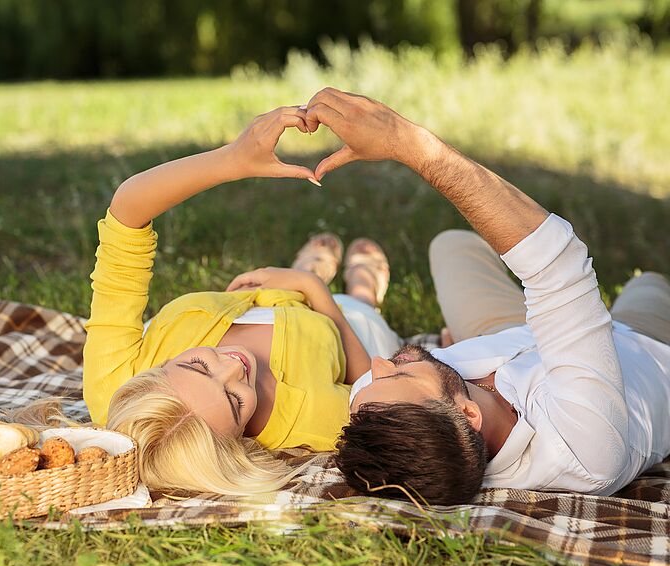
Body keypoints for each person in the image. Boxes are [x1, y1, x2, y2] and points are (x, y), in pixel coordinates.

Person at [301, 87, 670, 505]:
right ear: (467, 415)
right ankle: (603, 304)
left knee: (451, 245)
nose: (379, 366)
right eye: (400, 375)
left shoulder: (378, 401)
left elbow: (377, 383)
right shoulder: (584, 451)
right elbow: (559, 262)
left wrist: (449, 357)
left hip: (513, 332)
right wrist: (408, 143)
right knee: (649, 285)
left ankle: (570, 313)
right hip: (644, 347)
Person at [83, 105, 401, 496]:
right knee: (359, 308)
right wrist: (314, 292)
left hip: (263, 297)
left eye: (199, 365)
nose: (235, 368)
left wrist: (233, 159)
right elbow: (371, 389)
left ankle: (310, 268)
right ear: (235, 444)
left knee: (291, 278)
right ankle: (361, 287)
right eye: (235, 401)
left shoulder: (114, 387)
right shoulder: (306, 421)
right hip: (345, 325)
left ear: (156, 372)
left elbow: (126, 216)